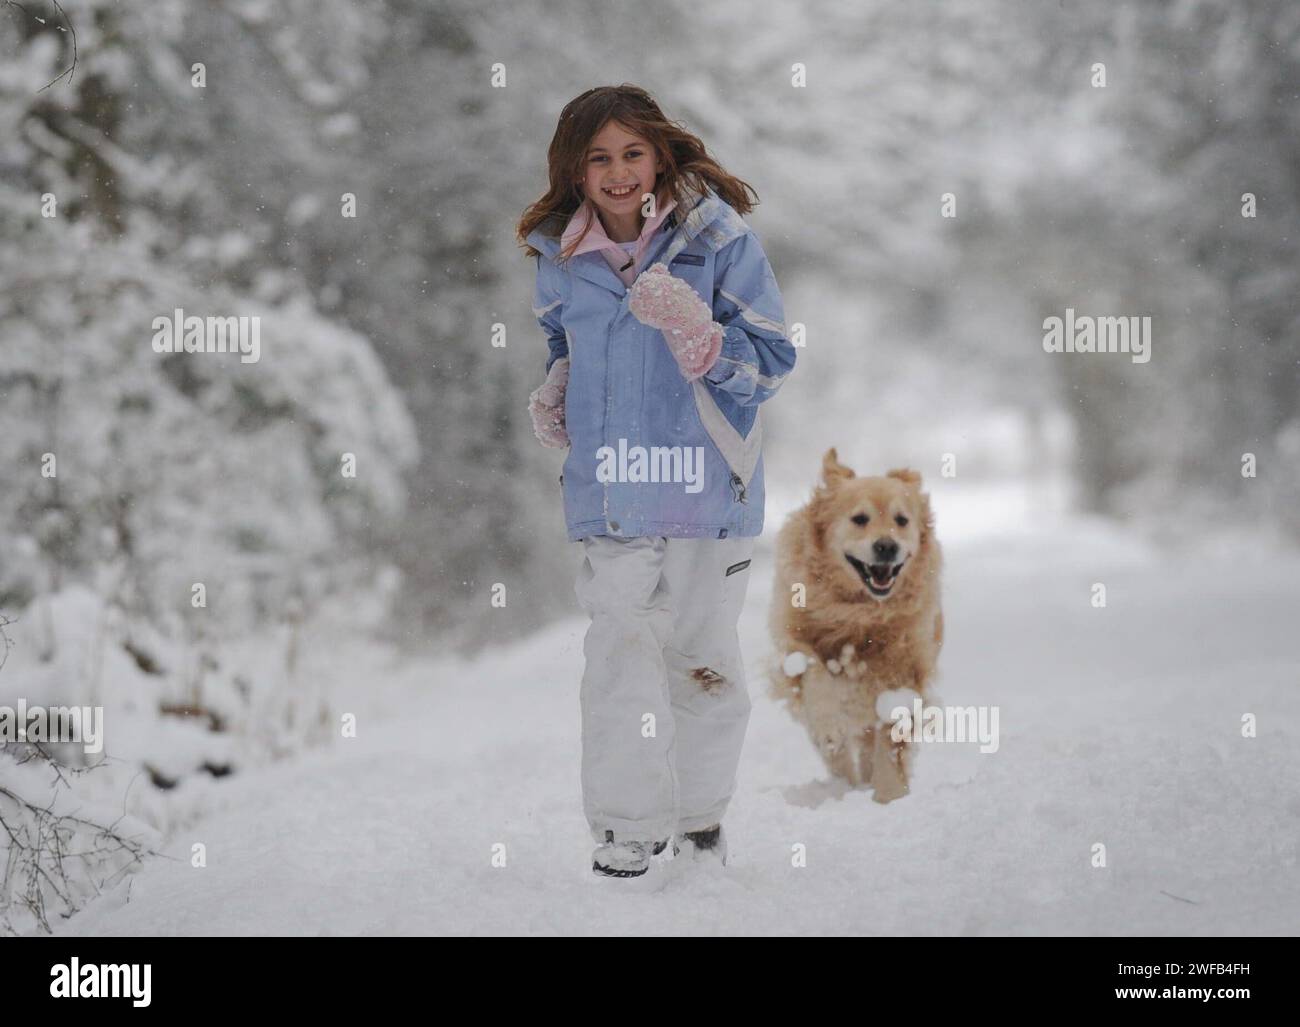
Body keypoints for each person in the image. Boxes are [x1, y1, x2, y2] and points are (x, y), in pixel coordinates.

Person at [516, 84, 796, 878]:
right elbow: (559, 341)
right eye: (598, 157)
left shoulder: (719, 240)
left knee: (702, 659)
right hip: (611, 491)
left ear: (662, 155)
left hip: (708, 487)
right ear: (573, 170)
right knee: (617, 653)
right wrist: (559, 383)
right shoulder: (558, 256)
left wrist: (698, 334)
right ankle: (628, 830)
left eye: (632, 153)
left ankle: (701, 820)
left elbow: (772, 358)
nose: (617, 172)